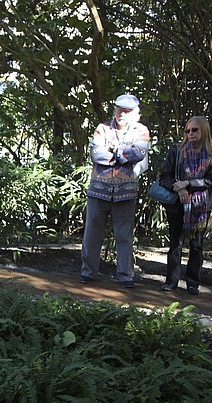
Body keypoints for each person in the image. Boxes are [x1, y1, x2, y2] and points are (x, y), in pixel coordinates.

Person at [79, 94, 150, 288]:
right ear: (115, 109)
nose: (122, 114)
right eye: (119, 109)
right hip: (98, 190)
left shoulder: (142, 131)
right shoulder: (102, 129)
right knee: (92, 233)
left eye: (127, 111)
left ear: (135, 113)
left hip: (125, 193)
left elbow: (139, 153)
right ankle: (88, 272)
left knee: (124, 236)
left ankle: (125, 275)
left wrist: (115, 151)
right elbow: (96, 154)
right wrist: (122, 154)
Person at [158, 116, 212, 295]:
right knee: (175, 243)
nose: (190, 133)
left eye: (194, 130)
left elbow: (211, 179)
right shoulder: (177, 150)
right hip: (178, 203)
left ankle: (193, 283)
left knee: (197, 245)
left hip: (202, 204)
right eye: (187, 130)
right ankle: (171, 281)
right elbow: (164, 176)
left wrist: (187, 184)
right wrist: (178, 188)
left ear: (204, 130)